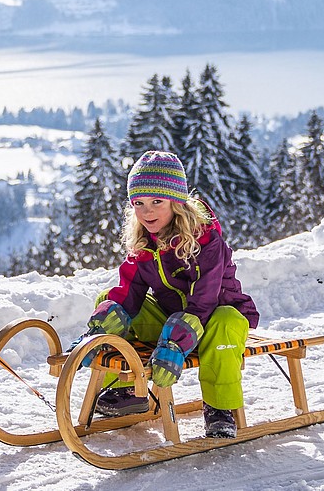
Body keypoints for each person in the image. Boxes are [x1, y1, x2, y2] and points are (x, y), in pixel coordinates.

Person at [77, 151, 258, 438]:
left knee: (226, 320)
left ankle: (219, 408)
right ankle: (127, 392)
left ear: (177, 201)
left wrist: (176, 340)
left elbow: (204, 302)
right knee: (109, 304)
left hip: (213, 321)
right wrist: (100, 328)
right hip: (172, 319)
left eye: (156, 202)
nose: (147, 212)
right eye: (138, 203)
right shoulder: (144, 243)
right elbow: (130, 292)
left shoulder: (206, 240)